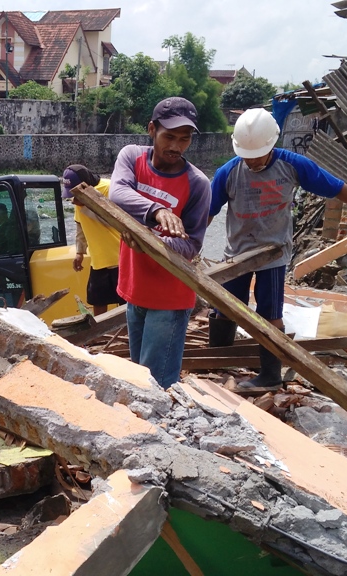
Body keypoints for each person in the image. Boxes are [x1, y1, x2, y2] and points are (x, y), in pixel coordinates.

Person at [208, 109, 347, 389]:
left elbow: (337, 188)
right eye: (247, 156)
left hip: (273, 254)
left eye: (258, 156)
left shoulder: (292, 165)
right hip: (236, 254)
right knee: (225, 307)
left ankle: (270, 375)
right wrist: (189, 243)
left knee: (270, 315)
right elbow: (207, 212)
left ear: (272, 144)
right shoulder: (228, 172)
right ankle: (216, 361)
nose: (252, 162)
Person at [109, 97, 211, 389]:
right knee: (138, 378)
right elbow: (117, 194)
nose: (176, 146)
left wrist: (150, 240)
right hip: (135, 287)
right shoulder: (132, 157)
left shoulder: (198, 183)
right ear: (152, 129)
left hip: (169, 296)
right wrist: (158, 211)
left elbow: (192, 245)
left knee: (157, 385)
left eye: (184, 139)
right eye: (169, 136)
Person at [63, 164, 124, 316]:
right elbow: (80, 225)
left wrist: (88, 204)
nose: (73, 200)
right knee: (98, 300)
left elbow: (121, 220)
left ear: (86, 187)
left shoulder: (110, 188)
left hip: (120, 257)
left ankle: (126, 331)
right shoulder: (79, 199)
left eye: (76, 195)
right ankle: (101, 331)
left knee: (125, 303)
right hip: (98, 260)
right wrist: (80, 252)